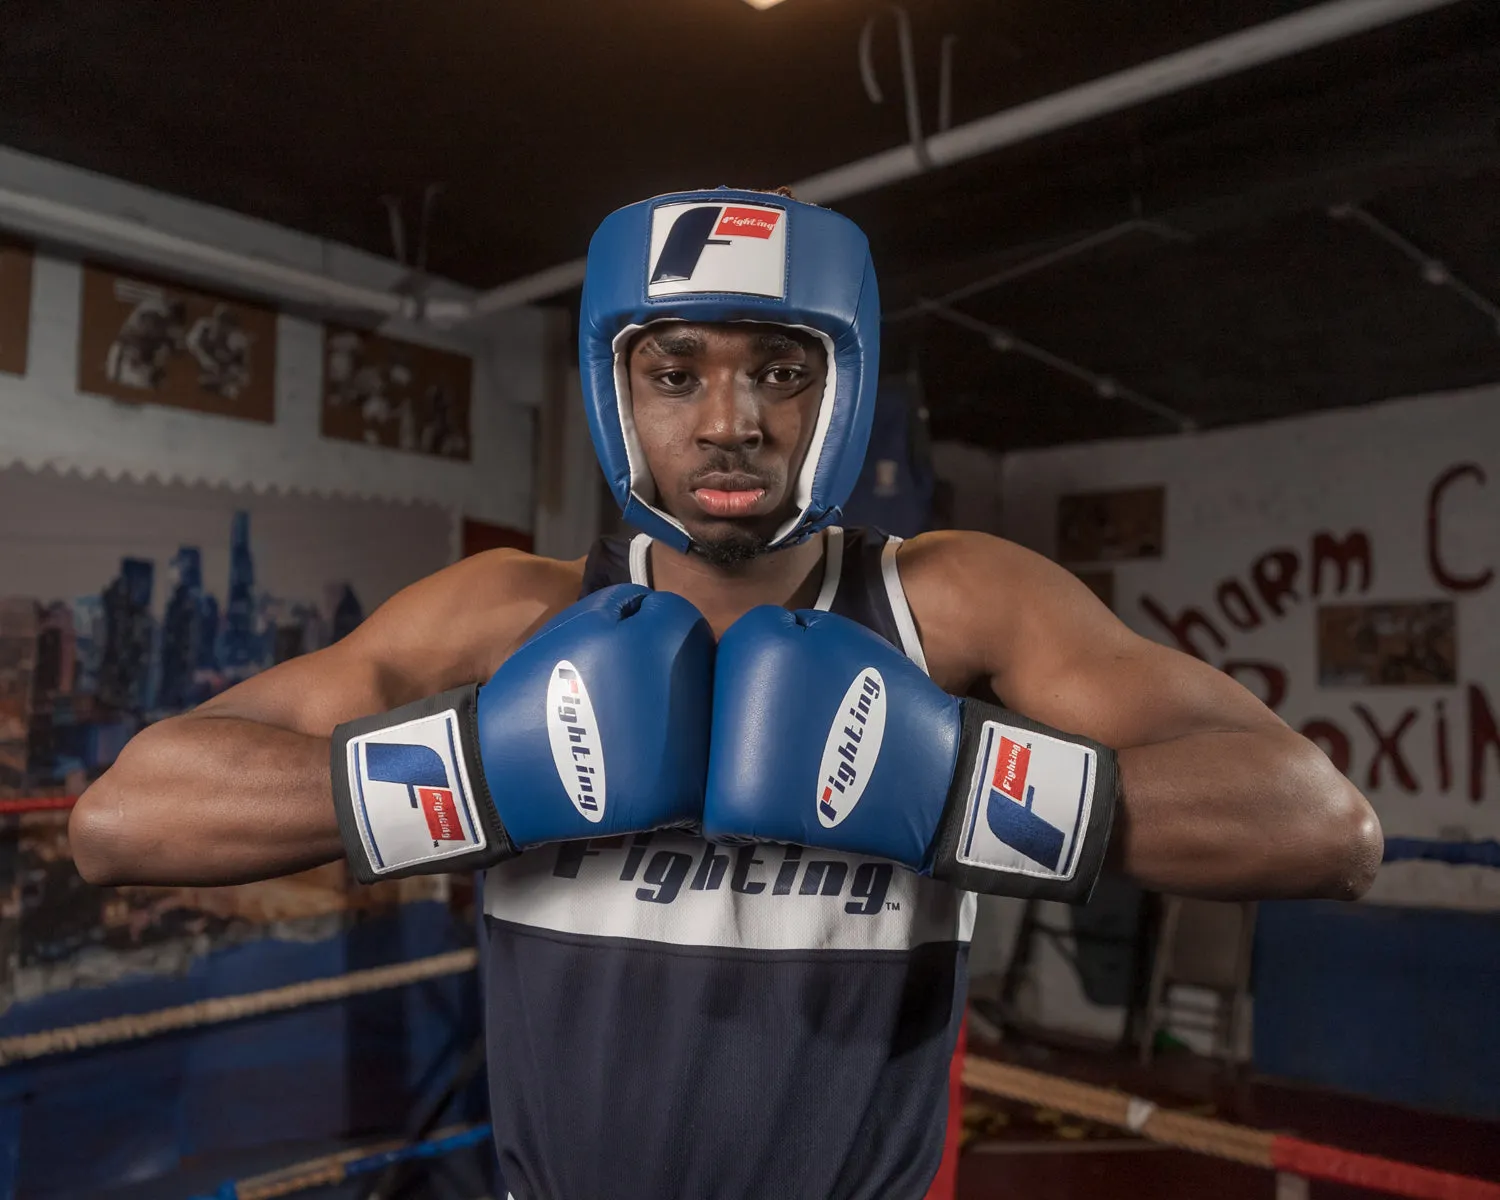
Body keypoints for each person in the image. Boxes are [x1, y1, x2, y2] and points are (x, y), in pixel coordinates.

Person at [69, 187, 1383, 1200]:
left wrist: (951, 787)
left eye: (781, 370)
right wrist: (476, 778)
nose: (730, 420)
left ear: (843, 387)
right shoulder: (511, 616)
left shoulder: (951, 603)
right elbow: (125, 819)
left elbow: (1322, 827)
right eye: (677, 372)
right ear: (616, 390)